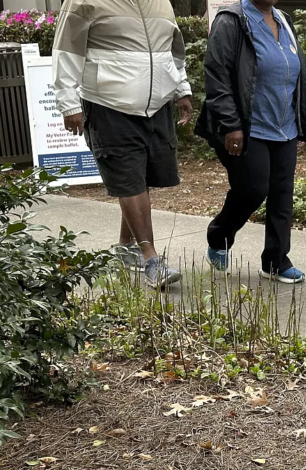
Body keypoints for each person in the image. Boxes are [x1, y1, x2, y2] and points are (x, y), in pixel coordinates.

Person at [53, 0, 194, 288]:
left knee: (139, 179)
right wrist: (68, 105)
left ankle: (125, 249)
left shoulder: (160, 2)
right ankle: (151, 258)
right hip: (108, 105)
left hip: (156, 107)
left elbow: (173, 52)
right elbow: (66, 51)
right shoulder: (84, 1)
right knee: (128, 179)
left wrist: (181, 90)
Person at [195, 0, 306, 283]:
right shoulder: (232, 20)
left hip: (284, 126)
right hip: (248, 127)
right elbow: (217, 74)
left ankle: (276, 260)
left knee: (282, 195)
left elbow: (295, 73)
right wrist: (231, 124)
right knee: (253, 188)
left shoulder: (283, 19)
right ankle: (219, 235)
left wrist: (299, 122)